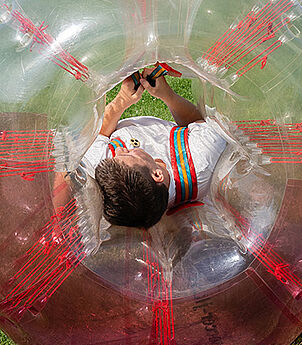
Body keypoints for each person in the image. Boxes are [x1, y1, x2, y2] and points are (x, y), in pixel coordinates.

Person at [79, 64, 231, 230]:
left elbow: (97, 134)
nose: (122, 150)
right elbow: (196, 121)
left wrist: (122, 101)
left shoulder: (107, 175)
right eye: (129, 155)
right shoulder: (200, 164)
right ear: (157, 174)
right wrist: (167, 95)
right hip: (178, 134)